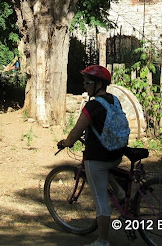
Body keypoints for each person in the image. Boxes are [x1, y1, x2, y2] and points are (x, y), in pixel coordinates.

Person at [58, 65, 125, 246]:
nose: (85, 86)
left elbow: (76, 132)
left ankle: (102, 241)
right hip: (116, 153)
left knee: (101, 200)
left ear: (98, 85)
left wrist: (66, 142)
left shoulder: (93, 106)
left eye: (88, 83)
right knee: (104, 172)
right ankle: (119, 191)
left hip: (98, 158)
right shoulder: (114, 100)